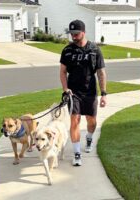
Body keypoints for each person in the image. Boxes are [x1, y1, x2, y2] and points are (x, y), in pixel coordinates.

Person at [60, 19, 107, 166]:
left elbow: (101, 73)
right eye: (71, 34)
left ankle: (89, 137)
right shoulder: (67, 50)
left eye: (76, 33)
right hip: (73, 93)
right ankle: (77, 154)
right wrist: (65, 89)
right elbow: (62, 72)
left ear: (83, 32)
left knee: (91, 121)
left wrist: (104, 93)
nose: (73, 36)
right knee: (74, 121)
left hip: (90, 92)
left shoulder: (94, 49)